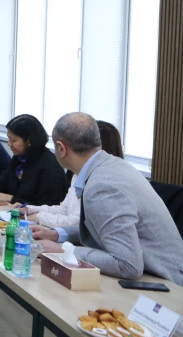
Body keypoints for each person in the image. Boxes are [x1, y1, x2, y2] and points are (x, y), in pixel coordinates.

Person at [30, 113, 183, 284]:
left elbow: (127, 265)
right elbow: (103, 230)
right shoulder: (112, 165)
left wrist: (62, 250)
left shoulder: (101, 186)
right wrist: (57, 234)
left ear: (61, 148)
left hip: (168, 284)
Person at [26, 121, 124, 228]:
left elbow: (77, 222)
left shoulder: (103, 182)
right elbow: (63, 210)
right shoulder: (79, 173)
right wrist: (29, 210)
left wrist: (38, 217)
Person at [0, 114, 68, 206]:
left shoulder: (49, 166)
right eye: (8, 138)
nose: (9, 144)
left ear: (29, 140)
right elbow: (2, 182)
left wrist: (11, 199)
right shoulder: (20, 158)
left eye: (13, 140)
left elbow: (47, 206)